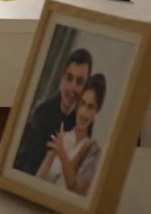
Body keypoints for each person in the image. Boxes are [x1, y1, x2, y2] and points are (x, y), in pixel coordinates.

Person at [12, 47, 92, 175]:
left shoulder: (84, 121)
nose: (72, 87)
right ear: (62, 78)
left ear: (86, 86)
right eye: (69, 78)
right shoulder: (41, 114)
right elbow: (27, 169)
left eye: (79, 82)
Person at [37, 73, 106, 195]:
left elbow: (79, 191)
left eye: (90, 107)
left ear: (97, 112)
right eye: (83, 103)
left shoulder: (92, 150)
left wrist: (62, 154)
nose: (84, 113)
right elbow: (38, 178)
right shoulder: (61, 136)